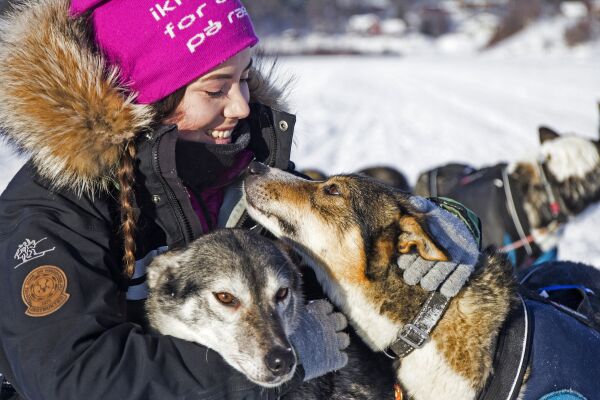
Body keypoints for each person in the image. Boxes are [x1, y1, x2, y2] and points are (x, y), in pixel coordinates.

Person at [0, 0, 479, 399]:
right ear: (143, 99)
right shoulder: (54, 212)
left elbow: (338, 253)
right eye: (216, 89)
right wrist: (262, 365)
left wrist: (432, 228)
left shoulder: (238, 162)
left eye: (245, 78)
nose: (242, 106)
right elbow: (69, 375)